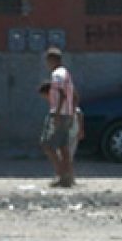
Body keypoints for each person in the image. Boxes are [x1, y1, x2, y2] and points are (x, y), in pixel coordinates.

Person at [40, 47, 76, 188]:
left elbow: (61, 94)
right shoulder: (66, 73)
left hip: (59, 113)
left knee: (47, 144)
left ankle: (61, 175)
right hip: (67, 113)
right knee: (63, 146)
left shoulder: (57, 75)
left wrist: (56, 114)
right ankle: (68, 176)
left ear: (52, 60)